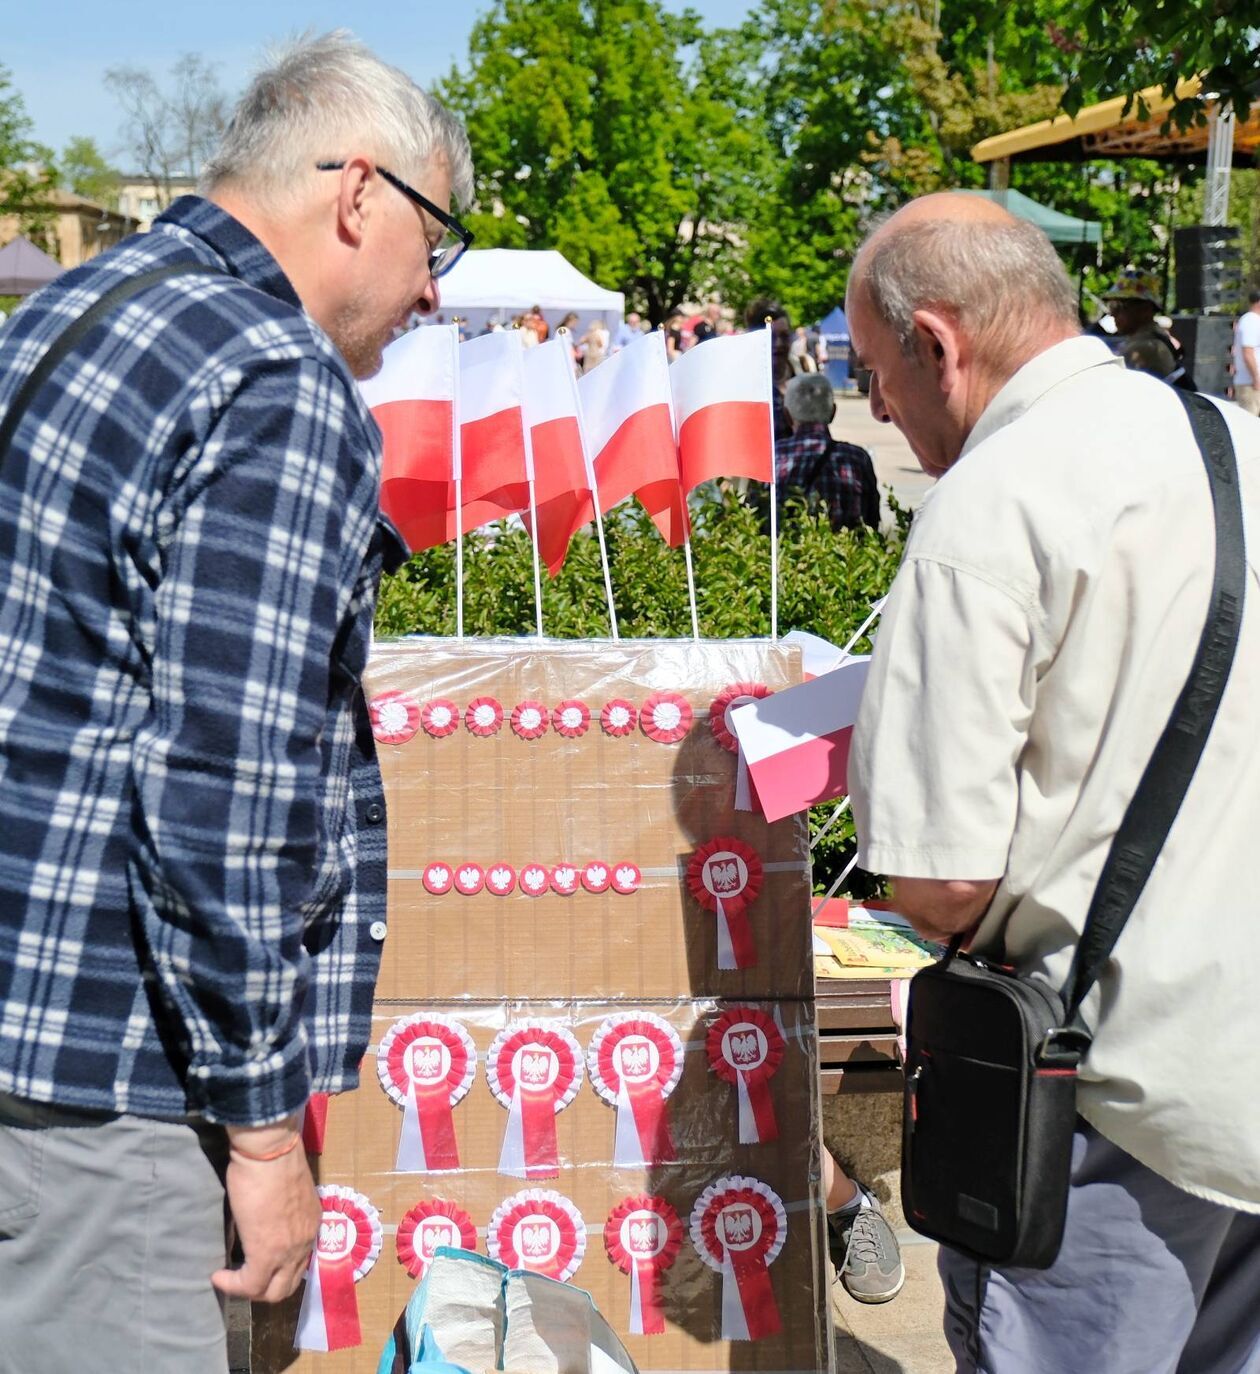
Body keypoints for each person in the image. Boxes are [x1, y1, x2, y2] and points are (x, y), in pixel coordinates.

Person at [0, 32, 472, 1373]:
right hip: (116, 1083)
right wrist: (265, 1130)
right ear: (359, 193)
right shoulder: (275, 378)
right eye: (437, 242)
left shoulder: (70, 314)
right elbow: (220, 784)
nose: (432, 293)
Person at [845, 192, 1260, 1373]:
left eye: (878, 376)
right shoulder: (1238, 443)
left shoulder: (993, 499)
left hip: (1103, 1096)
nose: (879, 407)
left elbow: (938, 880)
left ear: (938, 343)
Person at [777, 372, 879, 529]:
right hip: (846, 552)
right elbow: (872, 521)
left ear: (787, 415)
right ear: (833, 413)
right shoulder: (857, 459)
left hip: (786, 551)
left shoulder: (773, 456)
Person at [1103, 268, 1194, 389]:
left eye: (1119, 306)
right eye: (1111, 306)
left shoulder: (1143, 348)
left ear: (1145, 310)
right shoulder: (1156, 336)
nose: (1112, 314)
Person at [744, 296, 794, 440]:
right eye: (771, 336)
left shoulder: (801, 372)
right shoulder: (745, 384)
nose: (779, 344)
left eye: (784, 336)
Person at [1231, 289, 1260, 416]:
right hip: (1250, 385)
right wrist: (1256, 379)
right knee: (1250, 425)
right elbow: (1247, 352)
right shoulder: (1250, 321)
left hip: (1252, 383)